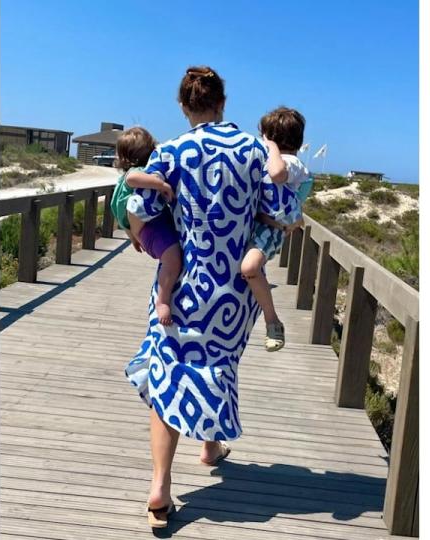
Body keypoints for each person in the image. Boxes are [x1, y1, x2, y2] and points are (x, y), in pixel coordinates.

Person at [122, 66, 299, 529]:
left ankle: (160, 488)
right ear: (223, 102)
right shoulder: (254, 149)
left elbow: (139, 206)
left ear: (184, 107)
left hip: (182, 285)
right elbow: (283, 210)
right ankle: (210, 446)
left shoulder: (172, 151)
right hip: (232, 293)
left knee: (169, 376)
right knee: (216, 366)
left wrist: (150, 238)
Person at [240, 106, 313, 351]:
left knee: (250, 268)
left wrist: (270, 147)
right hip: (261, 223)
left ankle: (273, 321)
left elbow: (278, 174)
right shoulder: (272, 160)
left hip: (271, 230)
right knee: (248, 269)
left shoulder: (291, 163)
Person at [110, 127, 181, 325]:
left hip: (143, 226)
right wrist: (162, 185)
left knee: (173, 258)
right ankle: (163, 300)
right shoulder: (137, 173)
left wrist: (132, 236)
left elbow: (118, 211)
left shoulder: (130, 177)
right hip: (150, 227)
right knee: (173, 260)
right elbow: (132, 179)